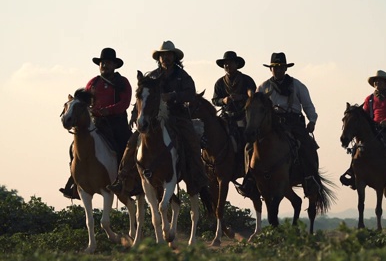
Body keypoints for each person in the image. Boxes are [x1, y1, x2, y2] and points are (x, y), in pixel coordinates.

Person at [108, 40, 209, 196]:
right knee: (132, 142)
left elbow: (191, 94)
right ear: (159, 58)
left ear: (174, 57)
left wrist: (173, 96)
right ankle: (123, 178)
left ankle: (198, 179)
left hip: (177, 116)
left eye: (168, 55)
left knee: (192, 142)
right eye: (163, 55)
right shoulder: (152, 76)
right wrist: (135, 114)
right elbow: (142, 97)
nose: (165, 58)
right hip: (153, 118)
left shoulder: (182, 76)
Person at [59, 48, 132, 200]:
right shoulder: (93, 83)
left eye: (108, 63)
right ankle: (75, 182)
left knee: (125, 146)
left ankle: (122, 180)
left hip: (117, 123)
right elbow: (85, 102)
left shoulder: (122, 82)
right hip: (97, 123)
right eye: (102, 63)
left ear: (114, 65)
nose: (105, 65)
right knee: (74, 148)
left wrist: (108, 110)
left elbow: (124, 103)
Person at [246, 52, 319, 196]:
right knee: (249, 147)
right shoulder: (263, 86)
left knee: (306, 145)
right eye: (275, 67)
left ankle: (310, 178)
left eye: (281, 68)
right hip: (271, 123)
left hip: (293, 122)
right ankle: (250, 179)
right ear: (270, 69)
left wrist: (312, 120)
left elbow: (308, 105)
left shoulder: (296, 85)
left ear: (285, 69)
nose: (278, 70)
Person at [340, 70, 386, 188]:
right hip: (373, 129)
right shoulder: (368, 98)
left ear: (385, 82)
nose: (377, 82)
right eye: (375, 81)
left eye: (379, 80)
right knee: (356, 148)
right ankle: (353, 173)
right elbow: (364, 114)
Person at [211, 51, 257, 196]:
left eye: (230, 62)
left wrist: (241, 97)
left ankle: (249, 174)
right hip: (226, 117)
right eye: (225, 63)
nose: (227, 65)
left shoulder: (247, 80)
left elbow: (253, 96)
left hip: (243, 116)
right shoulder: (219, 82)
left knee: (248, 142)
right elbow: (214, 100)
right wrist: (223, 101)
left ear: (236, 64)